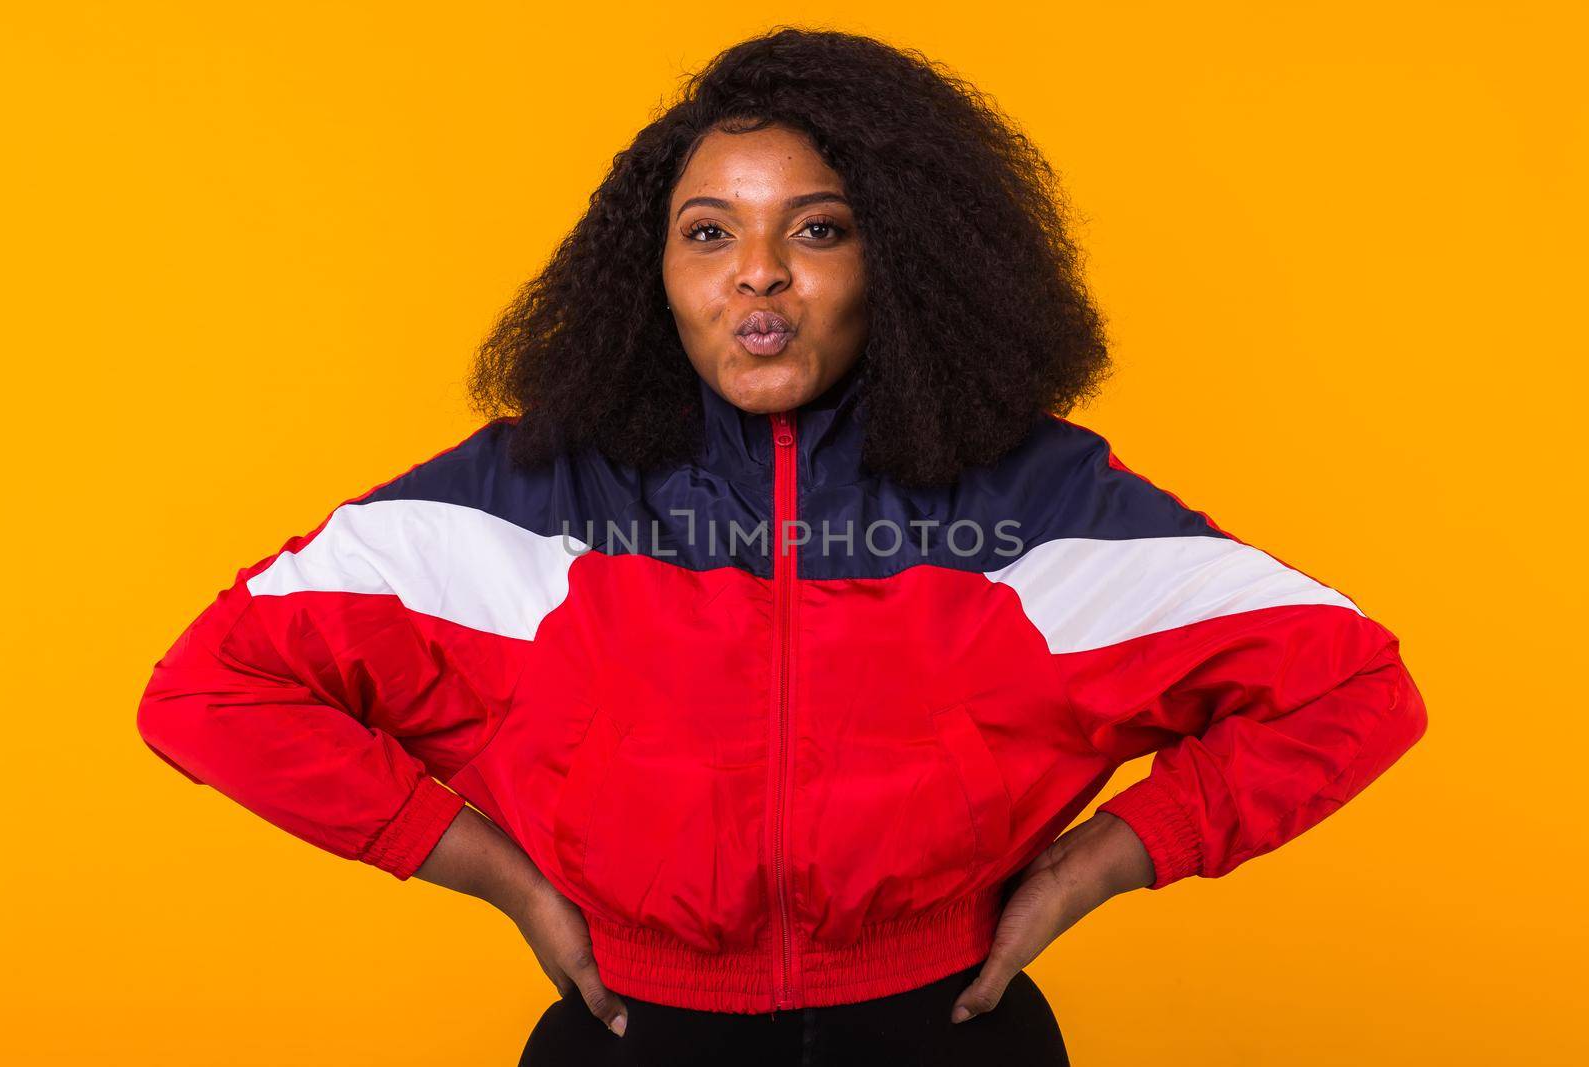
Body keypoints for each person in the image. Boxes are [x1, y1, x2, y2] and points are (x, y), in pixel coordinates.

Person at [135, 26, 1429, 1066]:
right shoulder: (518, 495)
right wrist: (505, 882)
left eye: (817, 227)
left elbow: (1352, 687)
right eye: (710, 232)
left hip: (952, 1038)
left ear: (903, 259)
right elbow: (208, 692)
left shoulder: (1041, 505)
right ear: (653, 271)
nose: (758, 272)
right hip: (630, 1042)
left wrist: (1100, 864)